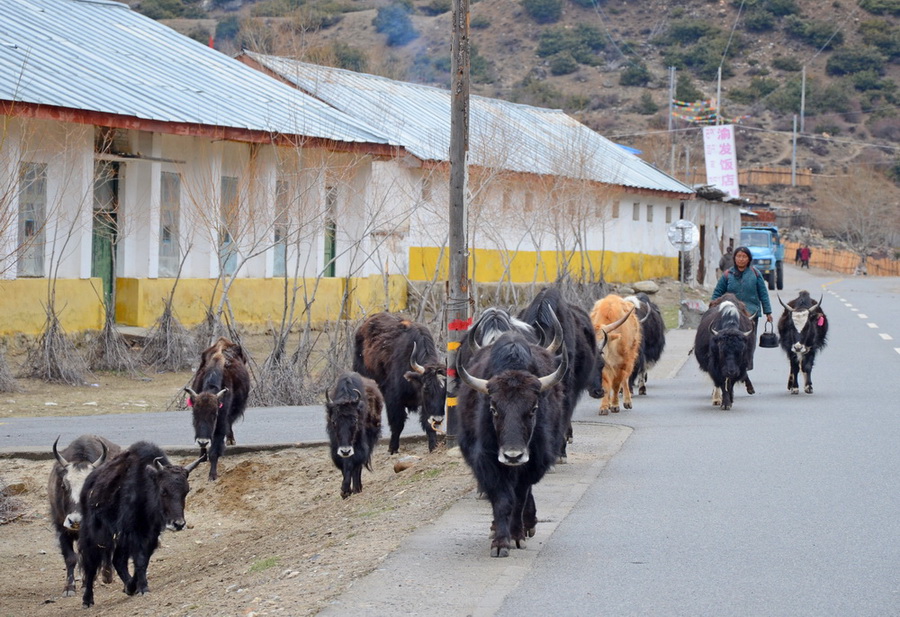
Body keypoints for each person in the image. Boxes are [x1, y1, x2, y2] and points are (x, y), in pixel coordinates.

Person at [711, 246, 773, 371]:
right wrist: (712, 307)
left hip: (751, 314)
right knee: (731, 341)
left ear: (749, 259)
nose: (741, 259)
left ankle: (746, 363)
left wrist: (768, 312)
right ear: (734, 258)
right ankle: (730, 363)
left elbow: (763, 293)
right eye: (738, 256)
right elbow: (717, 292)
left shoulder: (755, 274)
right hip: (731, 313)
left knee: (749, 339)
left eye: (744, 257)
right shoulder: (728, 274)